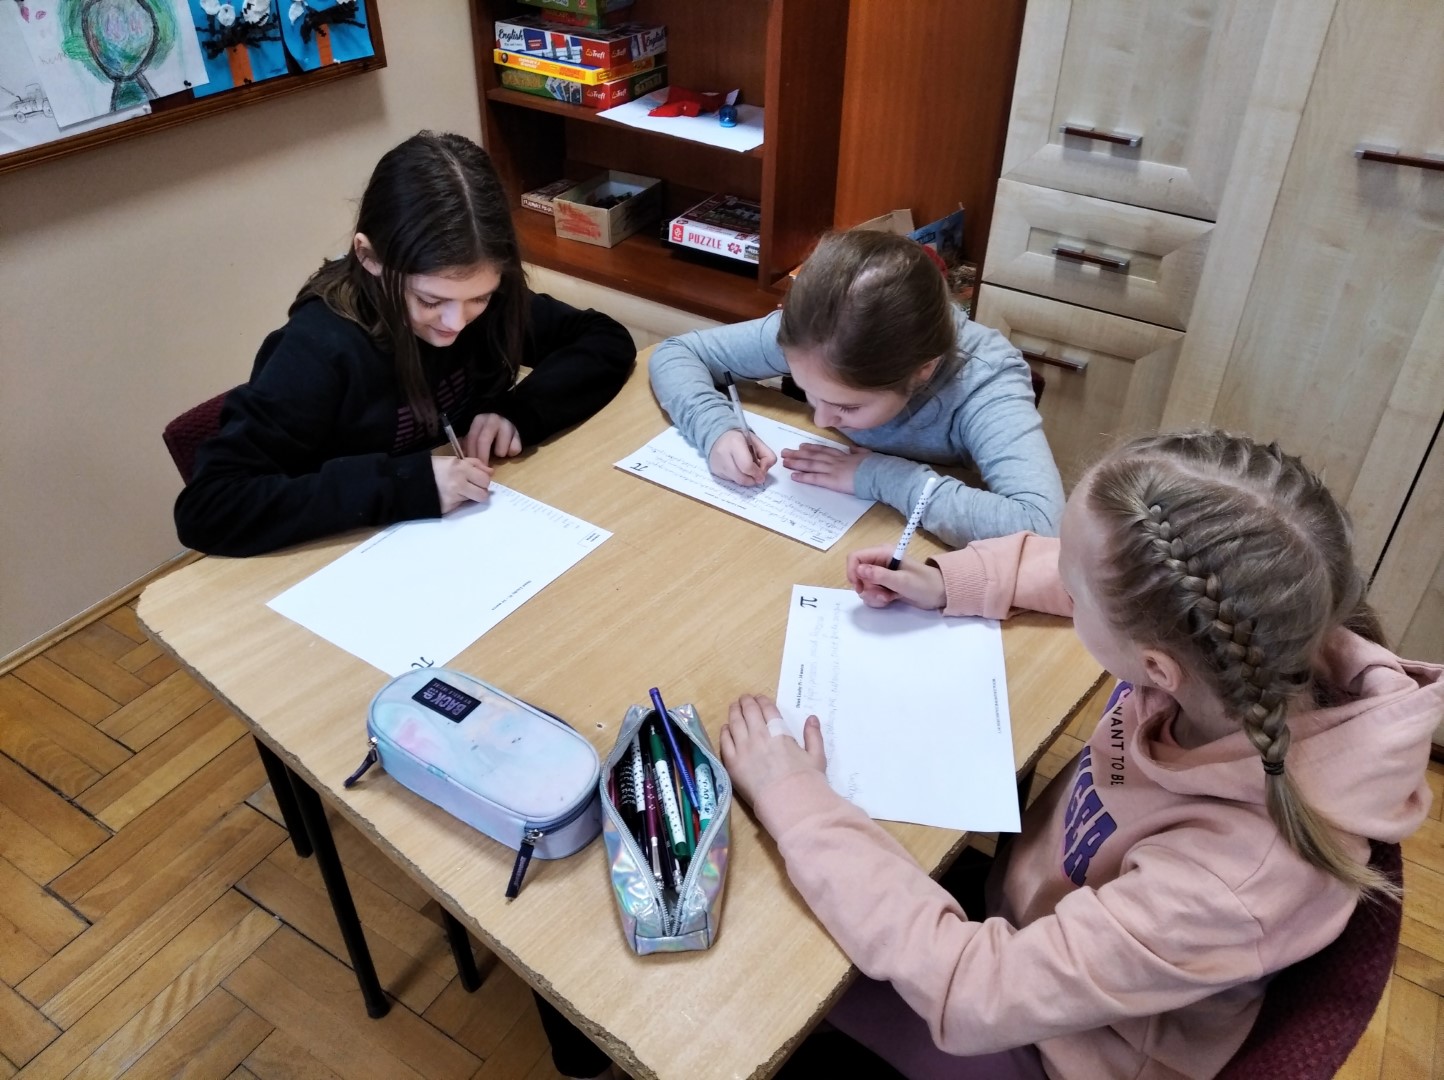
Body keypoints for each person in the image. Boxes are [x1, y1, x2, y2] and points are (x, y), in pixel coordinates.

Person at [720, 430, 1443, 1080]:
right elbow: (1081, 567)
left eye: (1074, 590)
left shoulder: (1231, 881)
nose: (1062, 584)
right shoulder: (1251, 636)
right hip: (1028, 925)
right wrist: (949, 582)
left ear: (1156, 669)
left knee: (758, 965)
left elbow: (972, 992)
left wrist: (795, 798)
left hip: (1054, 1046)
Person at [174, 131, 635, 557]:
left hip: (469, 537)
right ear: (369, 256)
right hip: (352, 558)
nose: (455, 323)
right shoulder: (319, 348)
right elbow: (210, 507)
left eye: (478, 298)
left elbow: (605, 339)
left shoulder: (491, 302)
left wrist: (519, 413)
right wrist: (402, 485)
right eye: (430, 300)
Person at [647, 229, 1063, 546]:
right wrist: (716, 429)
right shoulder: (816, 333)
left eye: (846, 407)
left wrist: (881, 476)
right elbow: (677, 353)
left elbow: (1043, 527)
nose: (821, 420)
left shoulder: (984, 380)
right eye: (808, 391)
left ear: (922, 370)